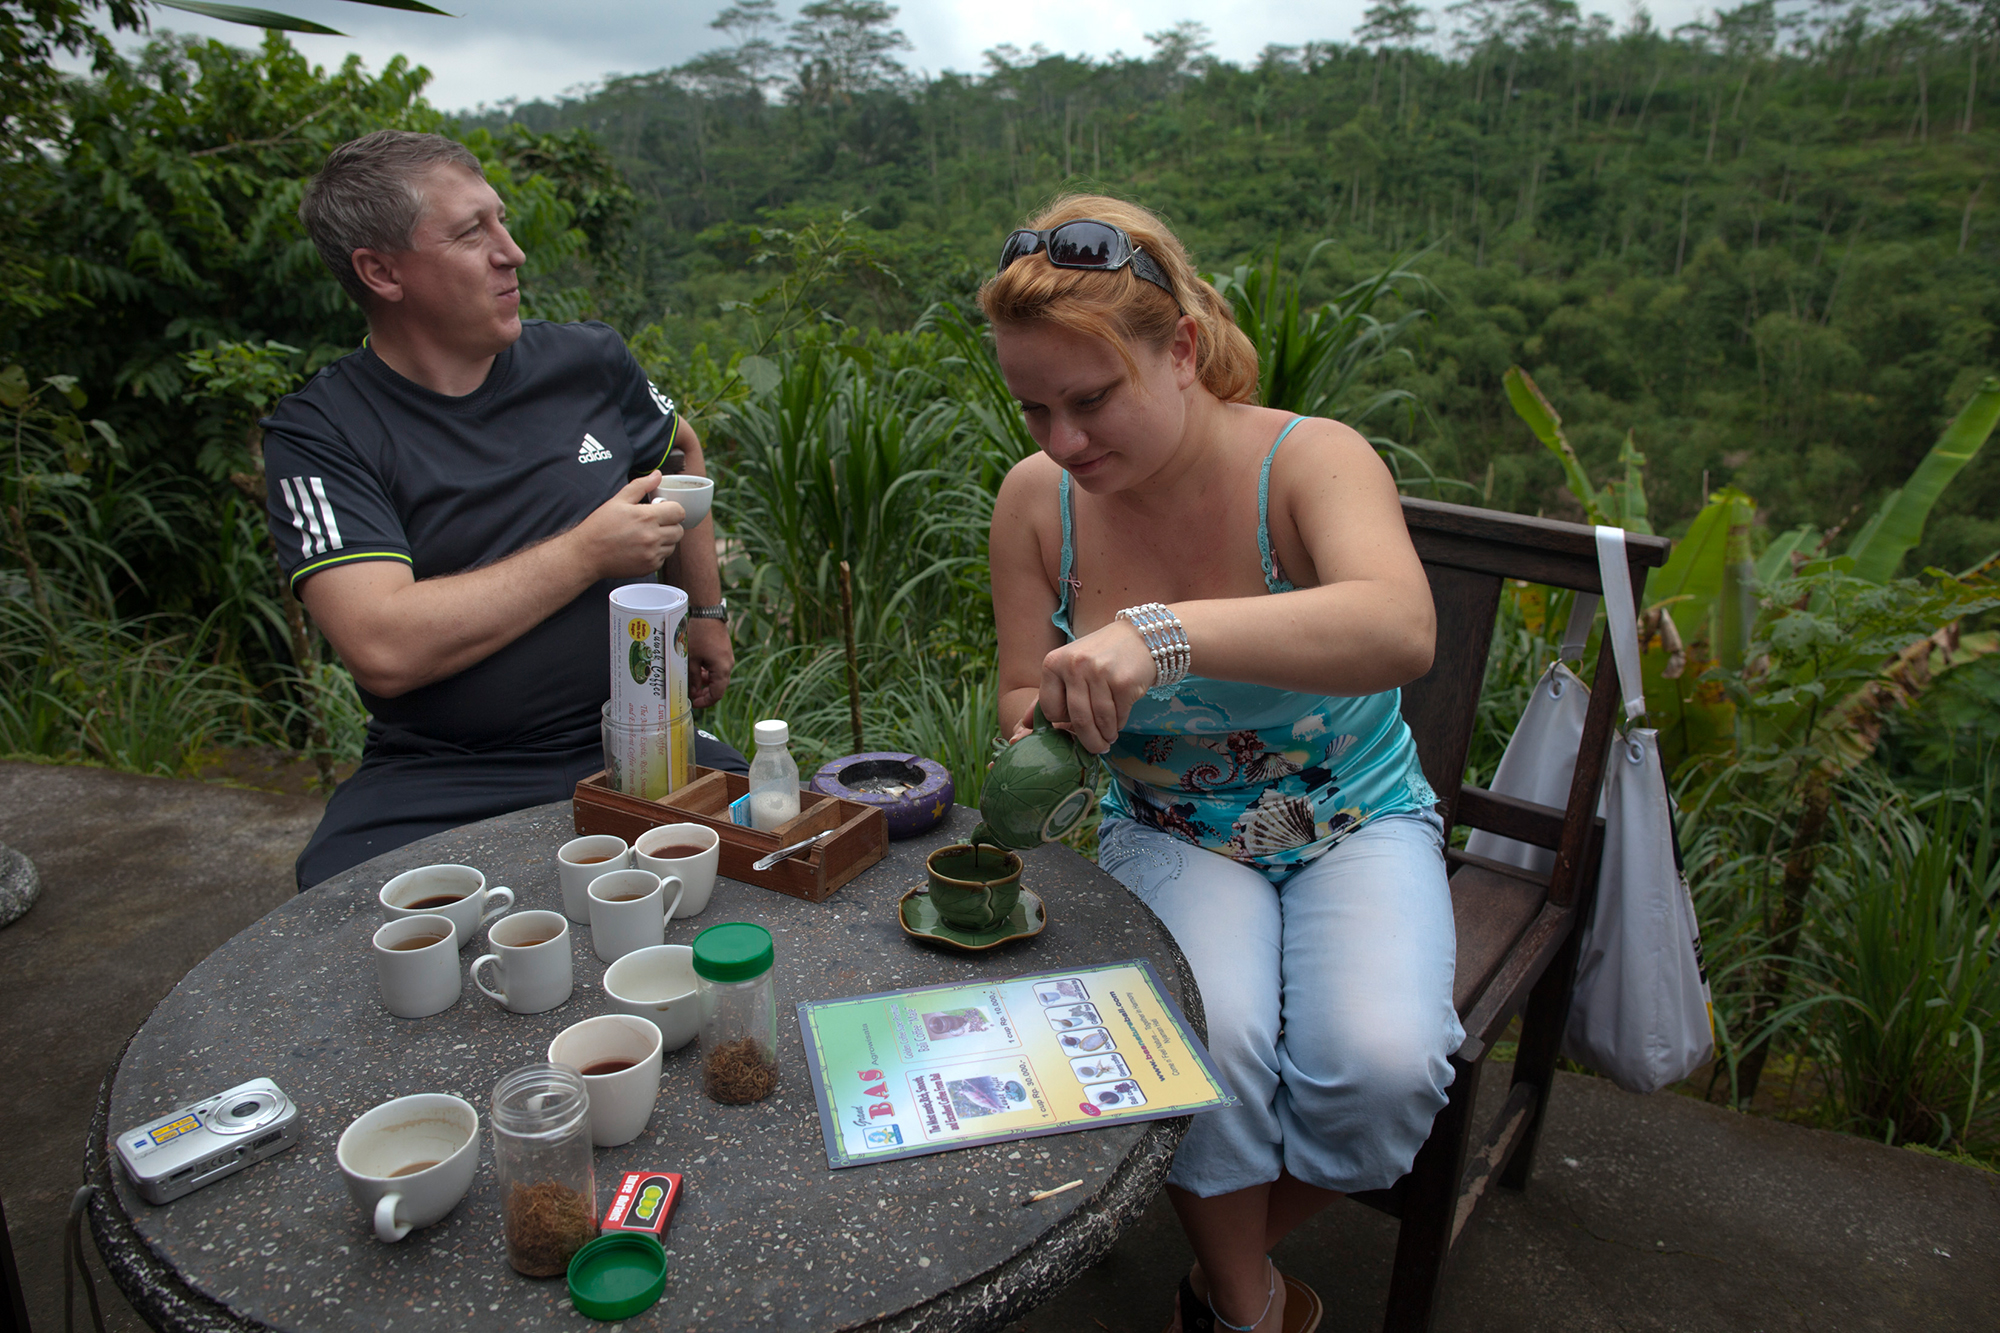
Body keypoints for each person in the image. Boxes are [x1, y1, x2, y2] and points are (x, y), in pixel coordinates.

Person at [983, 197, 1459, 1333]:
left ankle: (1206, 1232)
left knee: (1382, 1066)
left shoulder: (1306, 462)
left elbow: (1399, 628)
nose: (1062, 441)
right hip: (1172, 828)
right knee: (1210, 1042)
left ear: (1181, 349)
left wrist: (1159, 635)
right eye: (1034, 407)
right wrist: (1042, 724)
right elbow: (1015, 691)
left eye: (1090, 400)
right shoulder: (1033, 506)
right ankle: (1243, 1304)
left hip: (1353, 817)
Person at [263, 130, 745, 892]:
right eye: (470, 232)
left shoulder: (586, 360)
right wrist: (587, 551)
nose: (512, 251)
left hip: (636, 736)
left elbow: (678, 449)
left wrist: (708, 613)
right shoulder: (322, 431)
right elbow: (382, 644)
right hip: (444, 776)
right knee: (343, 917)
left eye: (502, 221)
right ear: (380, 272)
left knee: (773, 863)